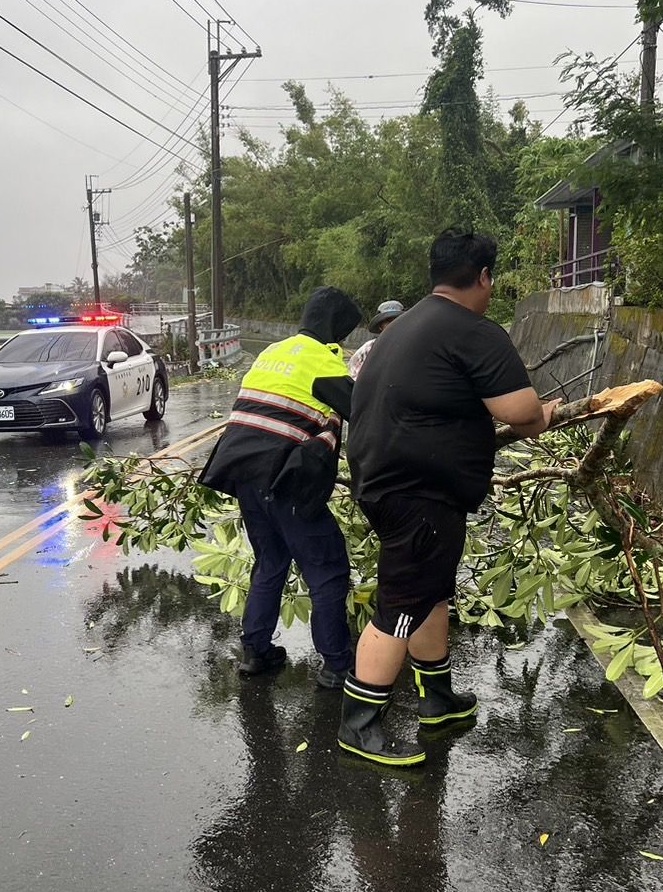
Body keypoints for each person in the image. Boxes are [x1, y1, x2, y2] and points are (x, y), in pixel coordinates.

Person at [339, 230, 560, 765]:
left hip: (388, 480)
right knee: (400, 603)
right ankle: (359, 724)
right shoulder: (472, 331)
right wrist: (550, 412)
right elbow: (522, 413)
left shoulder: (405, 326)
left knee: (432, 593)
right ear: (484, 277)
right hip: (417, 492)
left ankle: (437, 699)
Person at [199, 287, 363, 688]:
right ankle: (337, 664)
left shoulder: (270, 354)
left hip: (245, 477)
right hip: (285, 480)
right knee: (327, 569)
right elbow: (364, 412)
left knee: (270, 562)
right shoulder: (324, 362)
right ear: (337, 329)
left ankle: (255, 653)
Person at [347, 299, 404, 379]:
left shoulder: (413, 347)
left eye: (397, 320)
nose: (393, 324)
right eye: (388, 321)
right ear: (380, 326)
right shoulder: (368, 349)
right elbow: (353, 378)